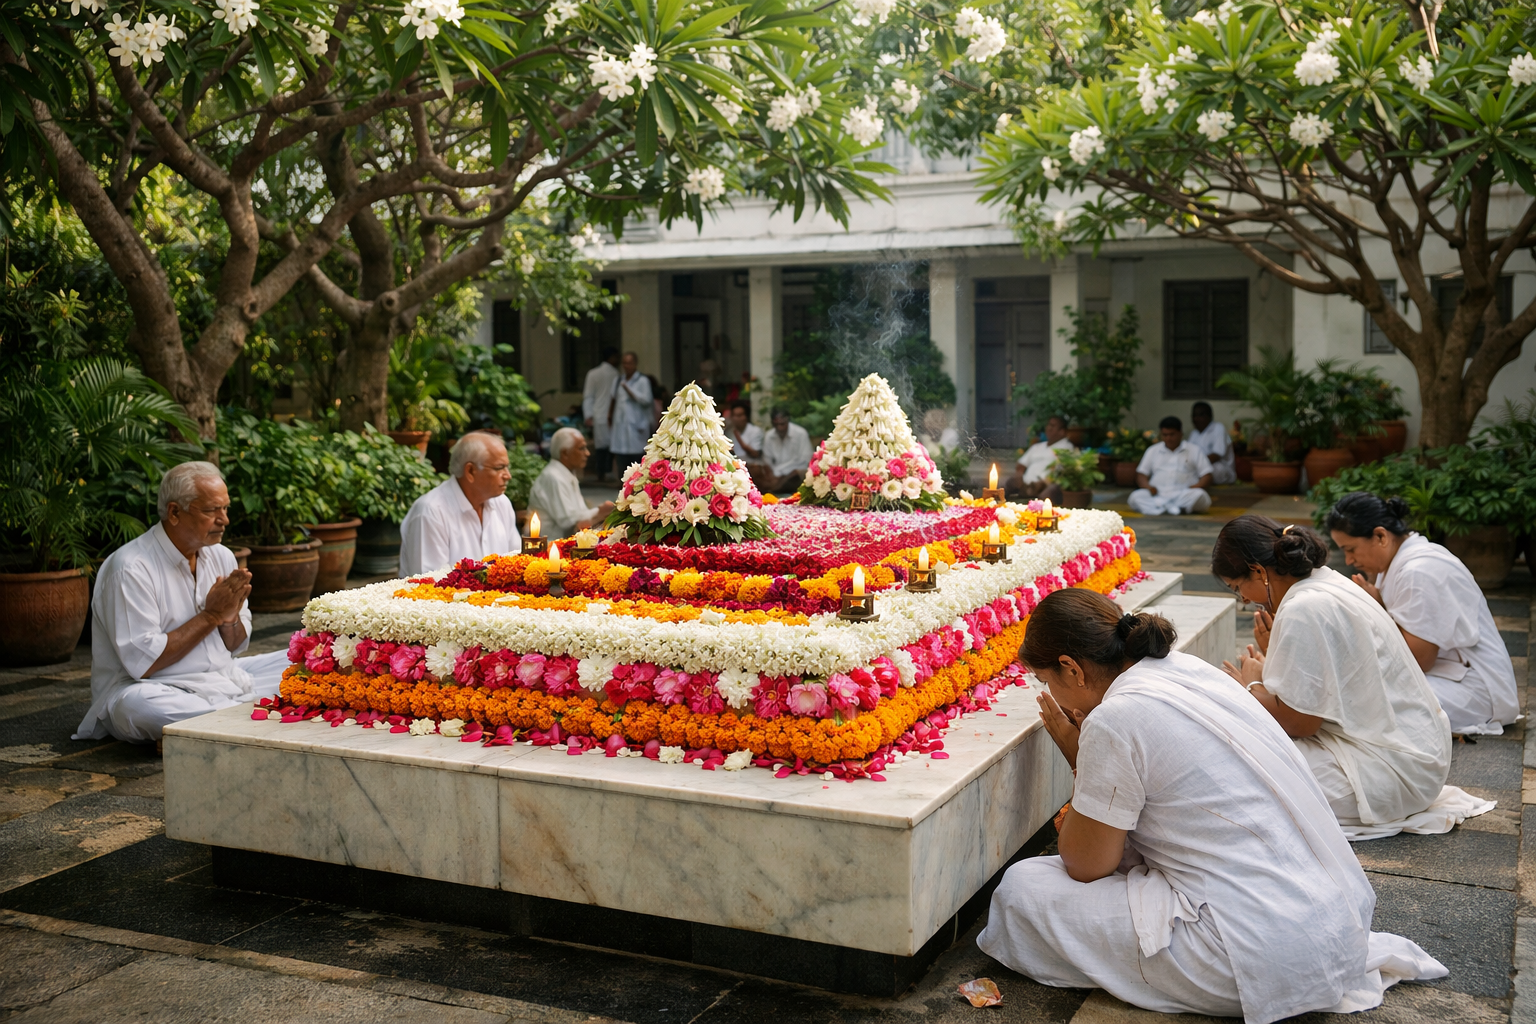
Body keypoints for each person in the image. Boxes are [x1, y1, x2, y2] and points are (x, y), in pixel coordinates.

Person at [978, 588, 1446, 1020]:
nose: (1051, 694)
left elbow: (1086, 865)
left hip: (1259, 954)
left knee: (1022, 890)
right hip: (1335, 924)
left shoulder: (1115, 717)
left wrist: (1081, 763)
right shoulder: (1185, 668)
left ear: (1073, 668)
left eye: (1046, 680)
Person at [1212, 515, 1492, 839]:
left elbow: (1301, 723)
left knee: (1237, 760)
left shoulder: (1304, 606)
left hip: (1392, 774)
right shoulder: (1324, 580)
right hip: (1420, 758)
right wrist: (1272, 661)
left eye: (1237, 589)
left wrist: (1250, 684)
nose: (1244, 600)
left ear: (1259, 572)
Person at [73, 462, 291, 748]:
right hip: (154, 687)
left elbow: (236, 646)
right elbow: (145, 664)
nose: (224, 520)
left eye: (225, 509)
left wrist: (229, 619)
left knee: (300, 661)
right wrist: (211, 614)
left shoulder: (222, 556)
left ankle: (207, 728)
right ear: (175, 512)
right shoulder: (130, 569)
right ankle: (242, 719)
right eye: (212, 510)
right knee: (139, 707)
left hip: (223, 677)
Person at [1327, 492, 1519, 736]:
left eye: (1351, 549)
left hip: (1475, 688)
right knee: (1351, 694)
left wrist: (1376, 608)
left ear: (1380, 536)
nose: (1349, 559)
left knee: (1360, 704)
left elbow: (1420, 660)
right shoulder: (1399, 560)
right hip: (1445, 673)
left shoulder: (1419, 571)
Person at [400, 432, 521, 577]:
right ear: (470, 471)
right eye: (499, 468)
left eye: (507, 467)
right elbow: (428, 583)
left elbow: (516, 561)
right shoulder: (431, 512)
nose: (508, 475)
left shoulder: (501, 502)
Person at [528, 427, 617, 537]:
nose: (587, 453)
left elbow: (578, 514)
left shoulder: (564, 473)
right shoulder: (553, 477)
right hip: (549, 544)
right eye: (582, 448)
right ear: (565, 453)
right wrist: (599, 512)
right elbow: (568, 522)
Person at [1129, 417, 1212, 516]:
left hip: (1183, 494)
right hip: (1158, 495)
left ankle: (1163, 509)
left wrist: (1195, 487)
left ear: (1180, 433)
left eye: (1172, 434)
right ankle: (1172, 509)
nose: (1168, 438)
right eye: (1165, 435)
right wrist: (1148, 487)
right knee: (1135, 496)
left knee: (1200, 495)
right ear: (1161, 434)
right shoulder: (1153, 450)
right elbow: (1141, 474)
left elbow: (1207, 474)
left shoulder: (1194, 450)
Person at [606, 352, 654, 474]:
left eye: (629, 363)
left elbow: (647, 400)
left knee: (637, 454)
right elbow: (613, 398)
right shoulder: (618, 380)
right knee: (621, 453)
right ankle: (622, 482)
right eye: (624, 363)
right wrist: (610, 416)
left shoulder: (642, 380)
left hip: (637, 424)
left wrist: (629, 390)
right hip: (620, 423)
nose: (626, 366)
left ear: (635, 364)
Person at [1007, 415, 1072, 503]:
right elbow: (1021, 464)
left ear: (1062, 431)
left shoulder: (1066, 448)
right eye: (1048, 425)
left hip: (1045, 484)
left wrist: (1045, 482)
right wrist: (1019, 475)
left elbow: (1063, 471)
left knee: (1048, 492)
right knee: (1005, 482)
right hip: (1025, 484)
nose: (1049, 428)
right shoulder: (1037, 447)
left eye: (1053, 426)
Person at [582, 349, 621, 482]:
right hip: (612, 415)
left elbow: (588, 396)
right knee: (610, 446)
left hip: (598, 414)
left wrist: (588, 414)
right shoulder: (616, 375)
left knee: (601, 446)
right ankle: (606, 473)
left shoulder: (593, 374)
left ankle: (602, 474)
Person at [753, 410, 814, 493]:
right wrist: (771, 477)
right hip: (776, 475)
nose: (779, 428)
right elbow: (767, 461)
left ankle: (775, 489)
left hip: (795, 475)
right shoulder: (769, 435)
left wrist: (784, 479)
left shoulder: (800, 433)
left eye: (782, 424)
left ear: (787, 421)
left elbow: (806, 461)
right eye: (776, 424)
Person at [1189, 401, 1237, 485]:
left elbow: (1216, 456)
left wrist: (1195, 464)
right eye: (1194, 416)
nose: (1195, 419)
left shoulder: (1218, 428)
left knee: (1214, 469)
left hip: (1220, 468)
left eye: (1200, 415)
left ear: (1209, 417)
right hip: (1199, 467)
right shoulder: (1194, 434)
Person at [724, 400, 765, 466]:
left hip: (752, 467)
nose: (736, 418)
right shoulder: (729, 432)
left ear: (746, 417)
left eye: (739, 415)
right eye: (734, 415)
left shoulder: (755, 431)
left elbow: (755, 454)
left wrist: (738, 437)